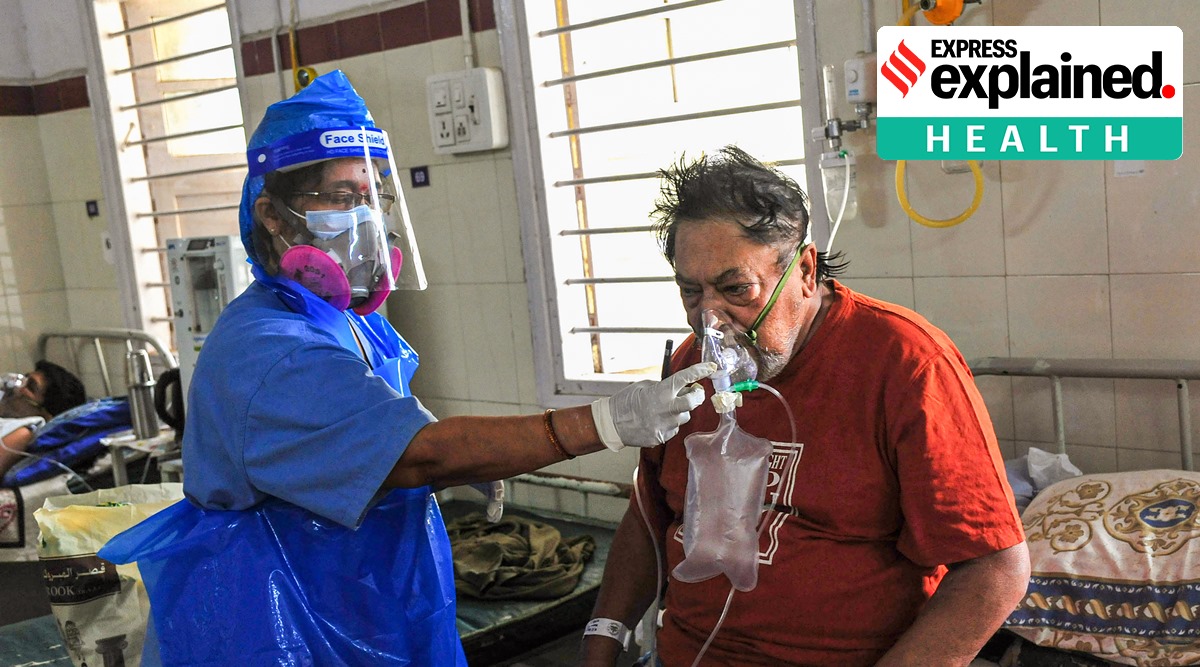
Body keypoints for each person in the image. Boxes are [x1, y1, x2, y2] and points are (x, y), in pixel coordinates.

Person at [97, 70, 714, 666]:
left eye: (374, 198)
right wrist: (605, 421)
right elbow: (416, 451)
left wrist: (467, 456)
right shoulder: (269, 347)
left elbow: (381, 426)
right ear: (275, 215)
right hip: (280, 622)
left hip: (360, 602)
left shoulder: (341, 317)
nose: (367, 219)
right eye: (345, 198)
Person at [580, 146, 1030, 667]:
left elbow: (996, 568)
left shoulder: (905, 364)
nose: (711, 321)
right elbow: (650, 514)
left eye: (735, 289)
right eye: (690, 292)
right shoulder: (689, 367)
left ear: (806, 271)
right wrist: (603, 637)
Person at [0, 361, 86, 478]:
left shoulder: (24, 432)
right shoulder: (7, 414)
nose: (15, 385)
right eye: (25, 377)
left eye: (30, 387)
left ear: (47, 414)